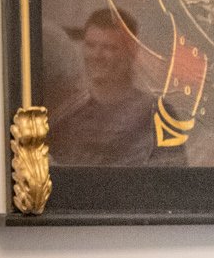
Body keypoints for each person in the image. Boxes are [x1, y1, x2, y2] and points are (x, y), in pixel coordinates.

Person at [49, 9, 165, 166]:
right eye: (91, 45)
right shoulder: (65, 114)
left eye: (109, 47)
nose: (97, 55)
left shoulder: (156, 115)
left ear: (132, 52)